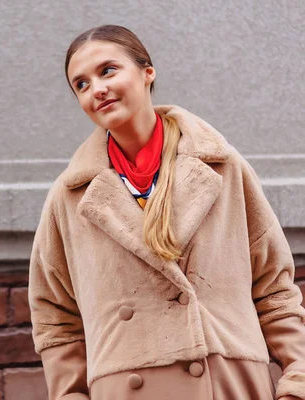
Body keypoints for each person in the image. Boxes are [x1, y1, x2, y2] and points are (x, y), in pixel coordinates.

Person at [28, 24, 305, 400]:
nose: (97, 88)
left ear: (147, 72)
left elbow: (274, 288)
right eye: (81, 84)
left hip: (228, 385)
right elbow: (55, 318)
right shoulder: (71, 196)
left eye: (108, 70)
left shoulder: (221, 167)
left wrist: (297, 384)